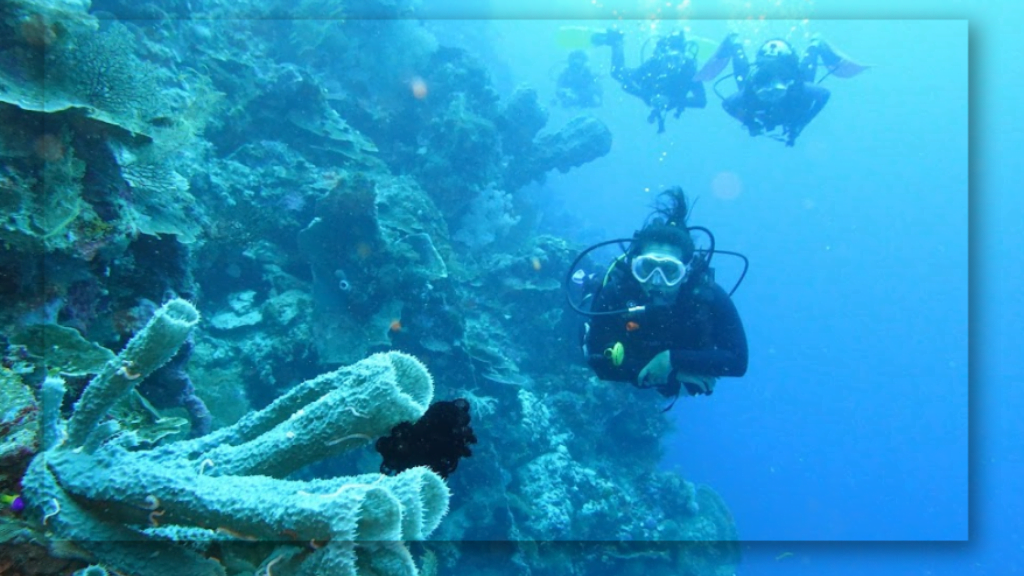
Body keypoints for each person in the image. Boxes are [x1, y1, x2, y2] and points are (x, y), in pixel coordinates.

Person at [579, 188, 748, 409]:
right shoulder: (617, 292)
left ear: (686, 272)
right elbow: (595, 358)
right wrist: (674, 374)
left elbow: (738, 361)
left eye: (669, 271)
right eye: (647, 267)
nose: (656, 280)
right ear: (634, 266)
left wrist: (671, 360)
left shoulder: (707, 296)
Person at [695, 34, 867, 146]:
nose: (772, 97)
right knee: (747, 85)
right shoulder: (754, 92)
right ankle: (814, 45)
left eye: (775, 92)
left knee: (746, 84)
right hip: (767, 86)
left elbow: (728, 104)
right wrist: (749, 122)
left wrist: (749, 122)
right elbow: (823, 94)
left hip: (785, 85)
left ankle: (736, 44)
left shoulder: (794, 89)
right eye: (767, 93)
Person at [591, 29, 707, 133]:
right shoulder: (654, 64)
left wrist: (669, 100)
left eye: (677, 58)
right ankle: (617, 43)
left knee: (618, 74)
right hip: (649, 90)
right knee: (617, 72)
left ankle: (617, 42)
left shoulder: (688, 70)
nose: (672, 64)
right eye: (668, 58)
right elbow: (624, 81)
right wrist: (648, 96)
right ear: (662, 55)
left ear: (684, 57)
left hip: (660, 95)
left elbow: (701, 101)